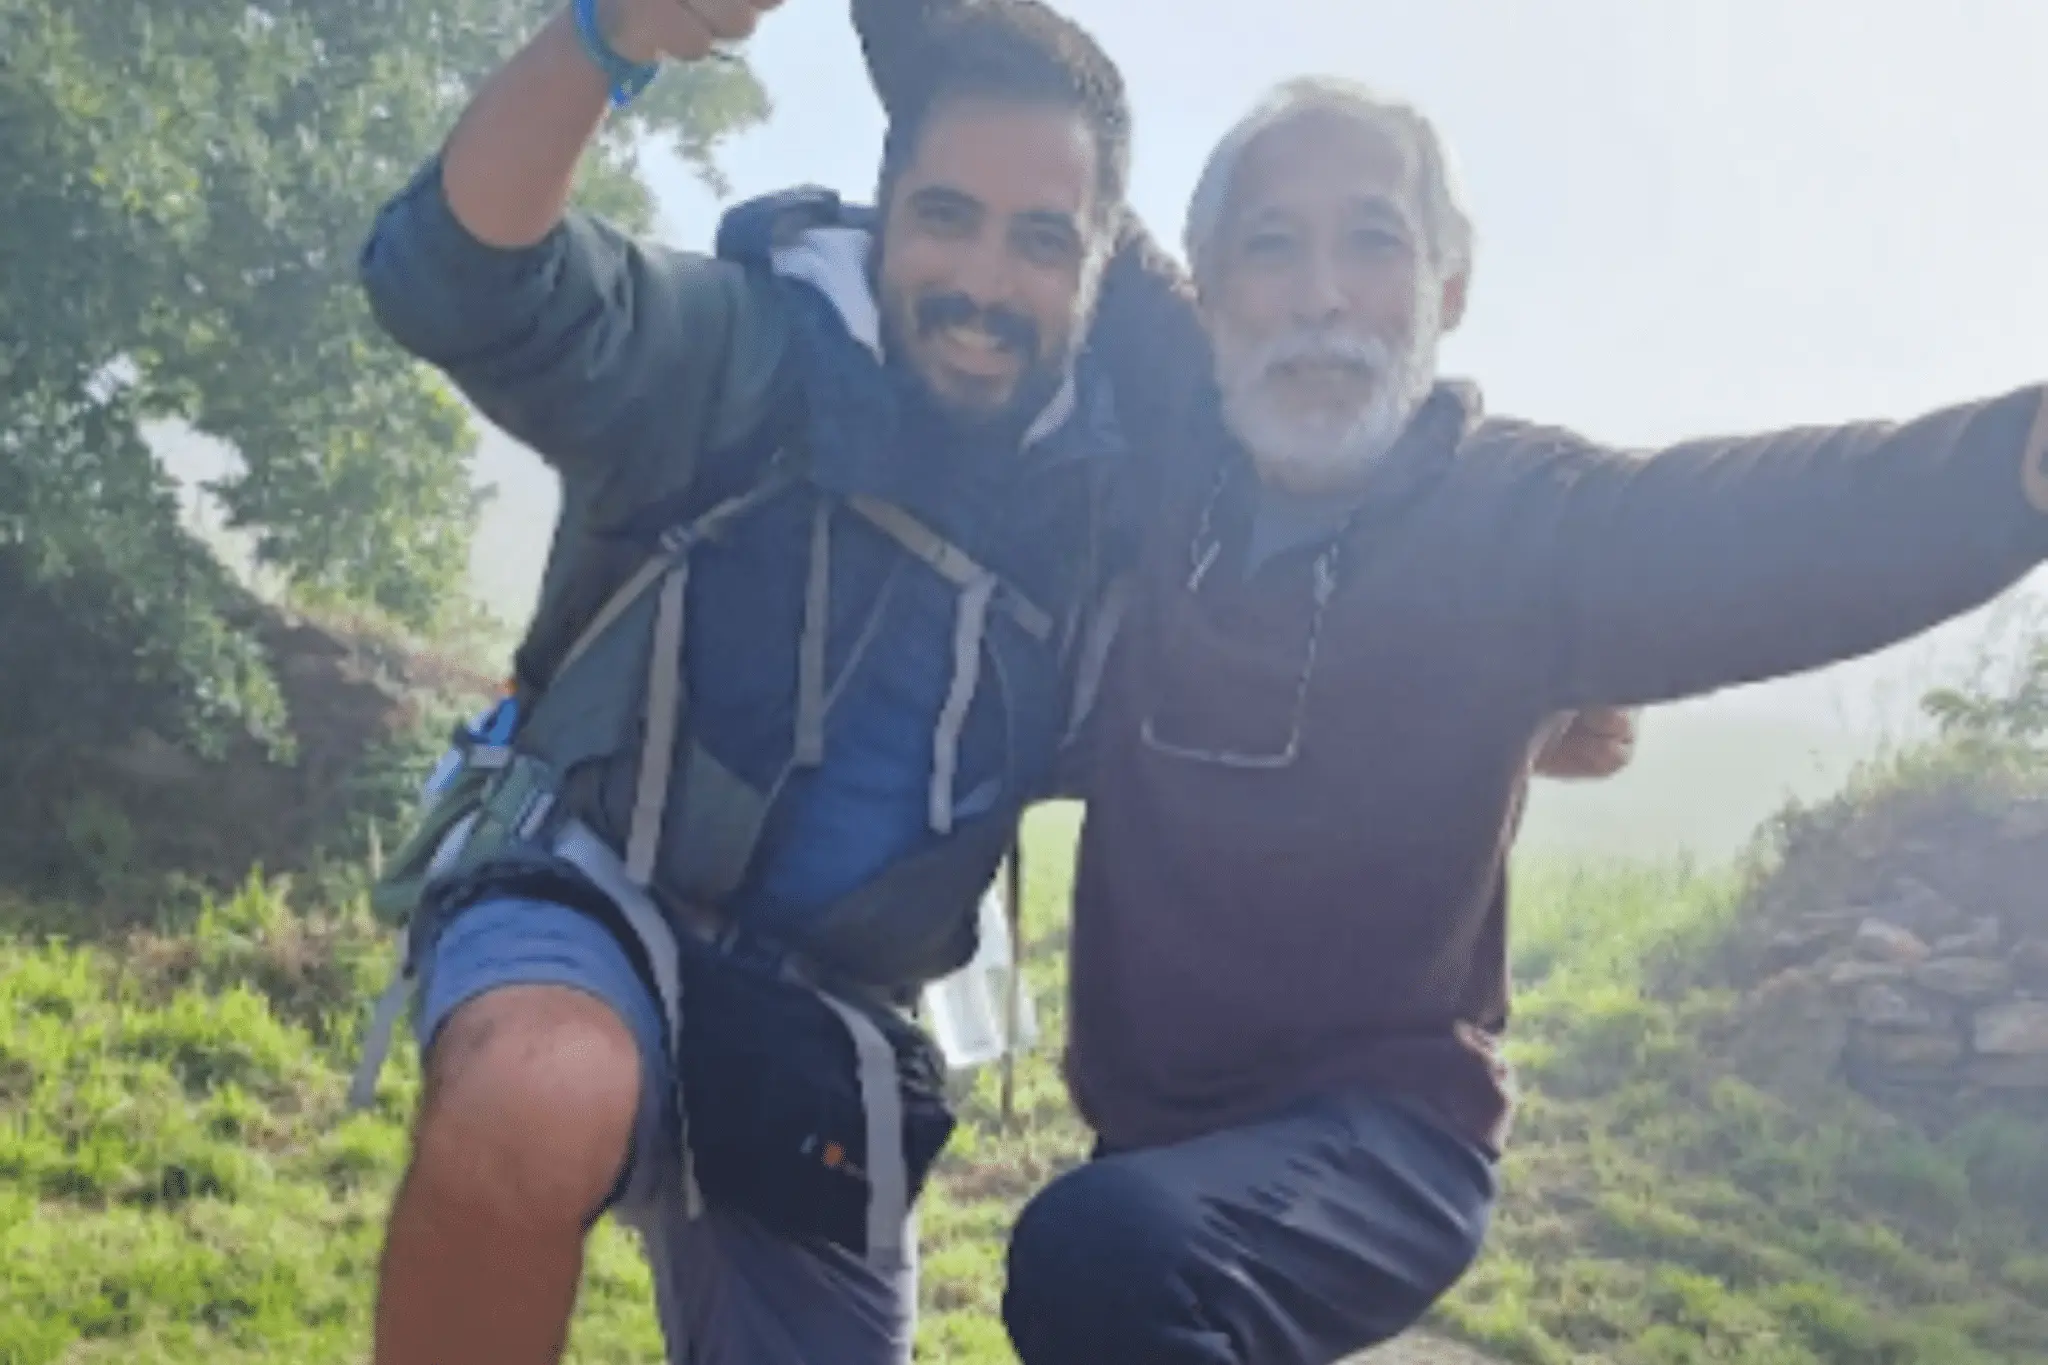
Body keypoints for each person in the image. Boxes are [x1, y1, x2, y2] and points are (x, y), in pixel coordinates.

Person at [851, 19, 2048, 1362]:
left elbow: (1774, 524)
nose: (1320, 295)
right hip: (1162, 1132)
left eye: (1374, 242)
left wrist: (2018, 465)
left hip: (1385, 1136)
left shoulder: (1520, 523)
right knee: (1131, 1243)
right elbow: (1027, 116)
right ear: (1213, 290)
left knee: (1099, 1255)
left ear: (1448, 287)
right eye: (1271, 246)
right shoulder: (1185, 422)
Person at [351, 2, 1148, 1363]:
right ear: (885, 210)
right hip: (586, 878)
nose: (982, 284)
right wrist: (605, 38)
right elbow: (455, 280)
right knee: (545, 1090)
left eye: (1041, 241)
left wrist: (1515, 713)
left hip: (829, 1015)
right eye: (947, 217)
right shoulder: (739, 351)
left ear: (1100, 267)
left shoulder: (1110, 512)